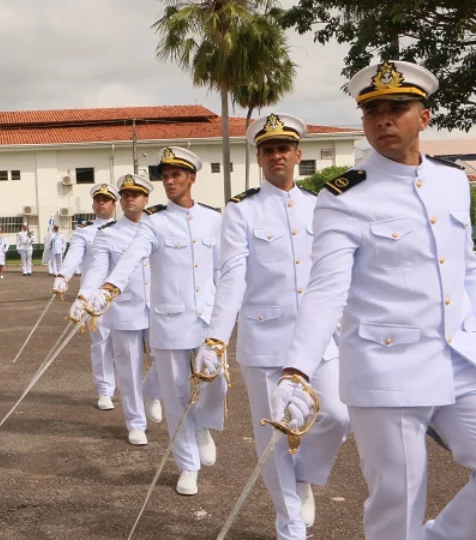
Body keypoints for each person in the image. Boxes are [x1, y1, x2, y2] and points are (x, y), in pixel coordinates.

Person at [275, 60, 476, 540]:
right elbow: (326, 288)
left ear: (423, 117)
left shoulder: (452, 181)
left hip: (457, 357)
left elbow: (465, 268)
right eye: (372, 111)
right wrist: (297, 370)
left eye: (397, 108)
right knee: (398, 501)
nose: (383, 119)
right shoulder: (344, 196)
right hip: (386, 370)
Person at [200, 115, 349, 536]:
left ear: (298, 155)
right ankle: (290, 525)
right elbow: (232, 277)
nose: (276, 155)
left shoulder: (320, 205)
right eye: (268, 150)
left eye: (283, 148)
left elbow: (336, 272)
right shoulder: (241, 210)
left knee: (337, 416)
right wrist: (216, 339)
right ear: (259, 158)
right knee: (274, 438)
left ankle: (306, 474)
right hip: (266, 341)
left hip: (318, 339)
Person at [88, 150, 225, 495]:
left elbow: (221, 269)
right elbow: (132, 258)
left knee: (217, 383)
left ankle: (203, 424)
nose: (169, 181)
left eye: (176, 174)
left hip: (207, 317)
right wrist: (108, 288)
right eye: (165, 176)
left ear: (192, 178)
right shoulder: (154, 222)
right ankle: (187, 466)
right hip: (169, 320)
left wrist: (225, 312)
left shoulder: (213, 219)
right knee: (176, 395)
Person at [74, 174, 159, 445]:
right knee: (129, 369)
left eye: (135, 194)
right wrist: (85, 296)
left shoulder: (160, 227)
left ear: (146, 199)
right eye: (125, 195)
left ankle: (152, 390)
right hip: (124, 308)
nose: (129, 199)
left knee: (167, 361)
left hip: (161, 307)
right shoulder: (107, 234)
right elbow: (97, 270)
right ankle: (136, 423)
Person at [53, 183, 119, 410]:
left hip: (123, 296)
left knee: (128, 346)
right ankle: (105, 390)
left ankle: (131, 388)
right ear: (93, 205)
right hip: (94, 296)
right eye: (98, 200)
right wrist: (63, 275)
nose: (102, 203)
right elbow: (74, 255)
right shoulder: (85, 231)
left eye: (106, 200)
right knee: (101, 343)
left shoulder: (126, 229)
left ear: (114, 204)